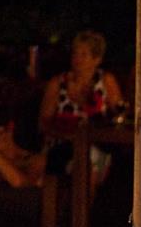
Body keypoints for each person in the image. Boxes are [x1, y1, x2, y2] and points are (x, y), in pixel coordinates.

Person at [39, 30, 123, 190]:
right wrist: (70, 134)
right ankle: (82, 213)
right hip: (63, 146)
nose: (77, 59)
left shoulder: (106, 81)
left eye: (83, 54)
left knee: (95, 158)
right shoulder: (58, 84)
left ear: (96, 59)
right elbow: (44, 123)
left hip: (97, 143)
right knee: (86, 162)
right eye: (75, 53)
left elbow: (118, 115)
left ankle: (87, 211)